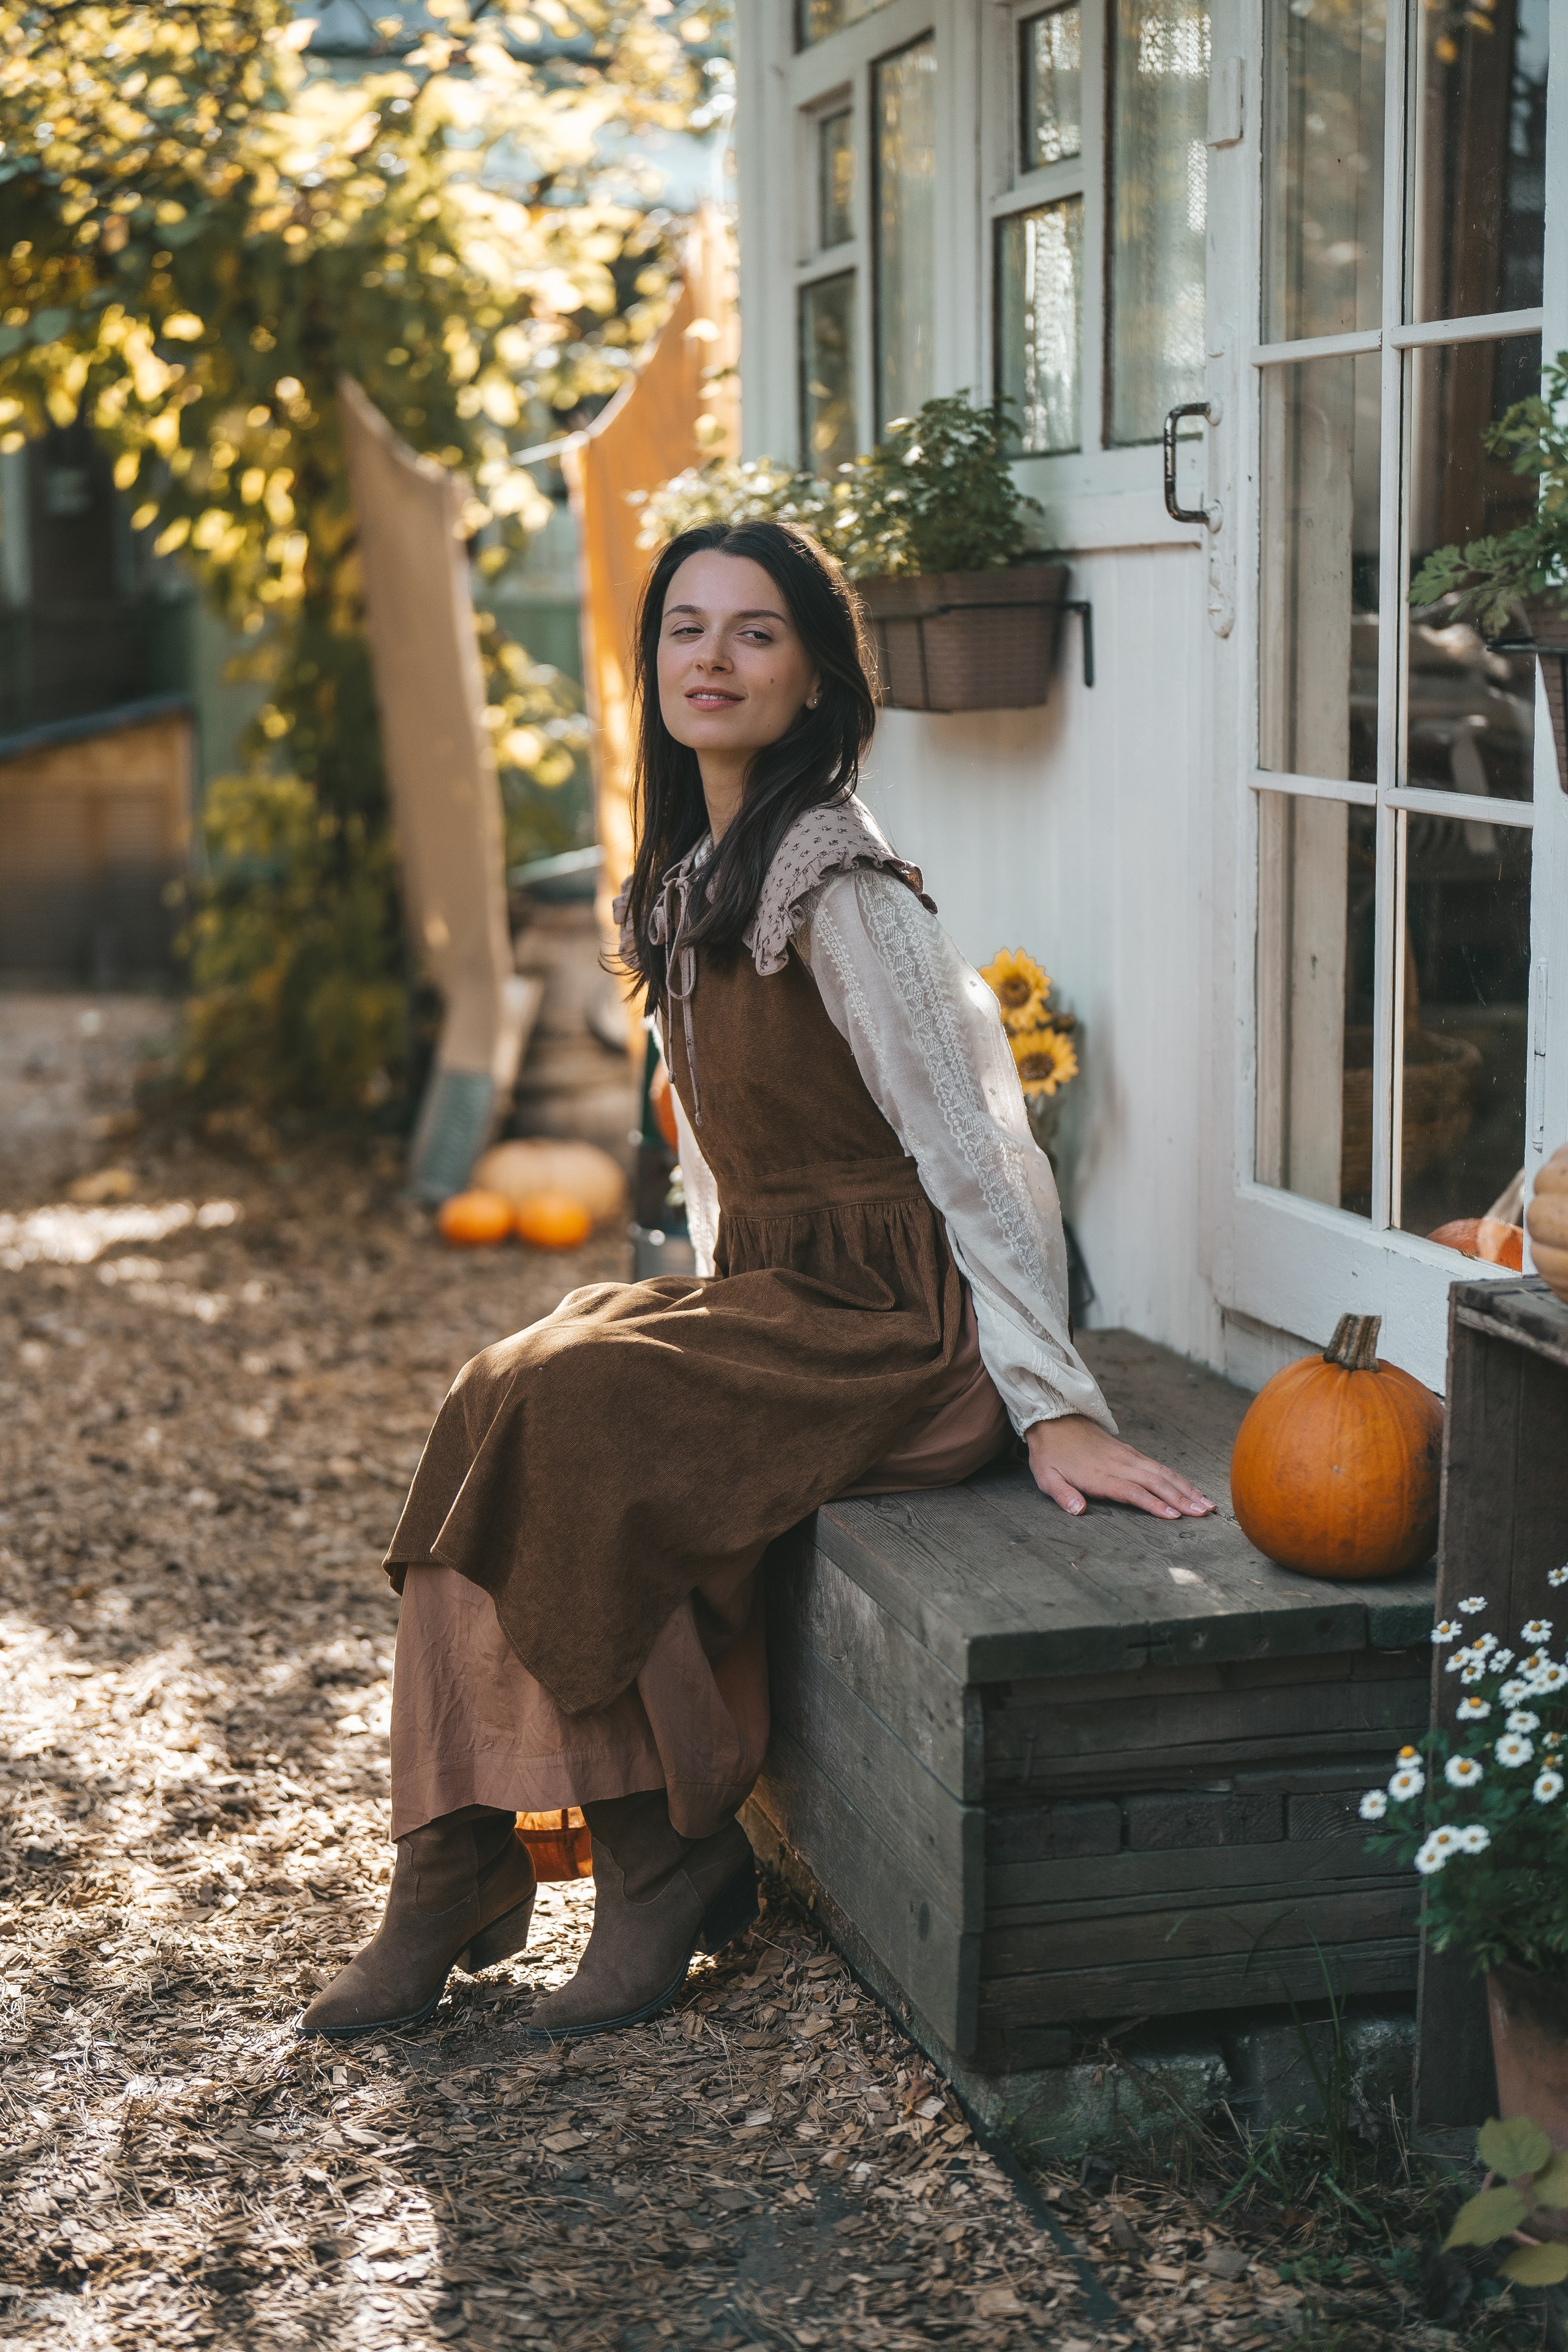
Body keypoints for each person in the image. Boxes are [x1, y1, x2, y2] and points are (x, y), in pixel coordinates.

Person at [301, 520, 1214, 2043]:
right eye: (685, 630)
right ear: (652, 662)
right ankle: (449, 1859)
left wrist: (1048, 1402)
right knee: (497, 1391)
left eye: (754, 633)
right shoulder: (690, 877)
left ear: (812, 682)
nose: (711, 660)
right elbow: (725, 1161)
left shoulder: (838, 882)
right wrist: (702, 1319)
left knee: (582, 1408)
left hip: (901, 1336)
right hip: (786, 1304)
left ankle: (661, 1856)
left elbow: (978, 1151)